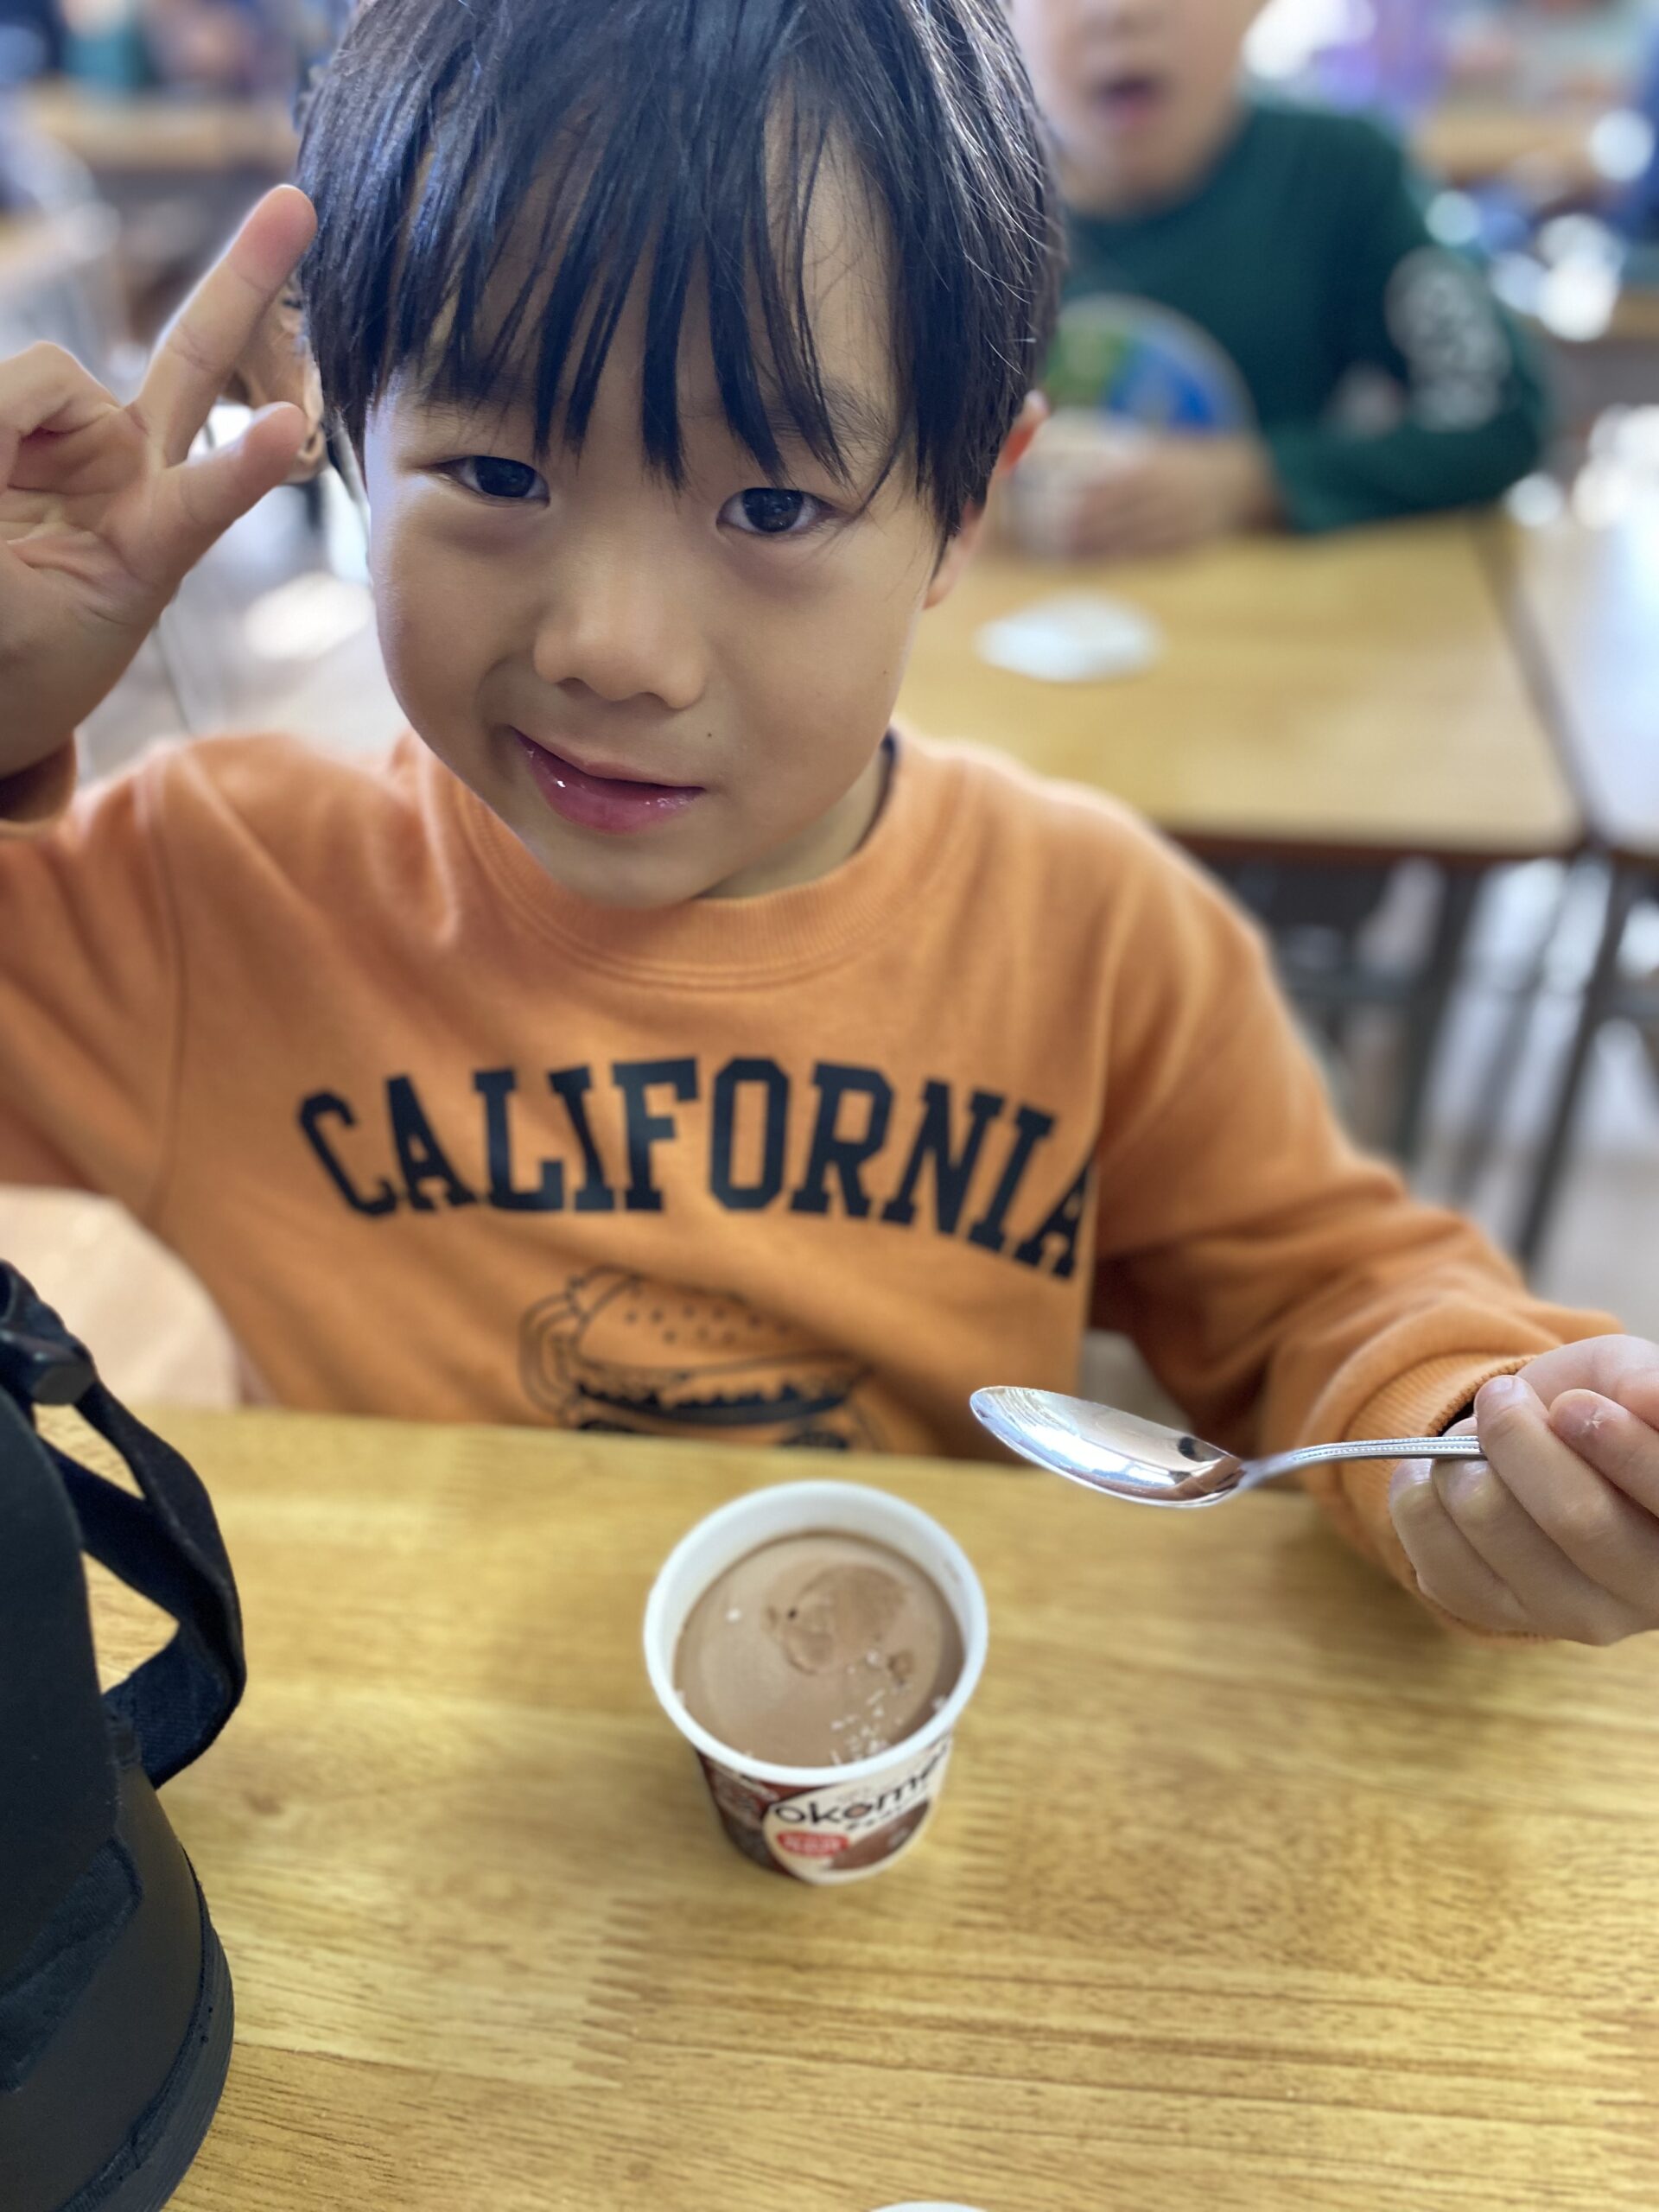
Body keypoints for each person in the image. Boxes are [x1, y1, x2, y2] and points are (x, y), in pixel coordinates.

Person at [2, 0, 1656, 1646]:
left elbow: (1326, 1289)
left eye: (773, 504)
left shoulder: (1092, 940)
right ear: (349, 434)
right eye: (496, 475)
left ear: (964, 508)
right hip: (400, 1766)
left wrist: (1472, 1438)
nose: (613, 650)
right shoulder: (204, 896)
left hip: (884, 1748)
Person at [1006, 0, 1553, 558]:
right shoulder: (973, 201)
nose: (1117, 11)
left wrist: (1254, 482)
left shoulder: (1341, 173)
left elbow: (1503, 419)